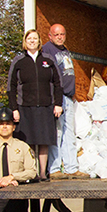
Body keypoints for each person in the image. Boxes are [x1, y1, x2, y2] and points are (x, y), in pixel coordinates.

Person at [8, 29, 63, 178]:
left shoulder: (48, 59)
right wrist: (14, 109)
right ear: (25, 42)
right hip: (25, 107)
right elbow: (11, 87)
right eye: (29, 39)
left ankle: (43, 173)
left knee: (43, 141)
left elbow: (58, 83)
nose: (32, 41)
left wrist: (58, 104)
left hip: (46, 107)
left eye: (35, 39)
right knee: (28, 142)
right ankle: (31, 172)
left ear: (39, 42)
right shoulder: (18, 61)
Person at [42, 23, 84, 178]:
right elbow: (49, 77)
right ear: (50, 36)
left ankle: (71, 168)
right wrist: (56, 101)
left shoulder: (64, 50)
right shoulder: (47, 50)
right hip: (57, 98)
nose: (59, 37)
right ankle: (54, 169)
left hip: (67, 97)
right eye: (56, 34)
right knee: (57, 133)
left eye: (62, 34)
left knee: (69, 132)